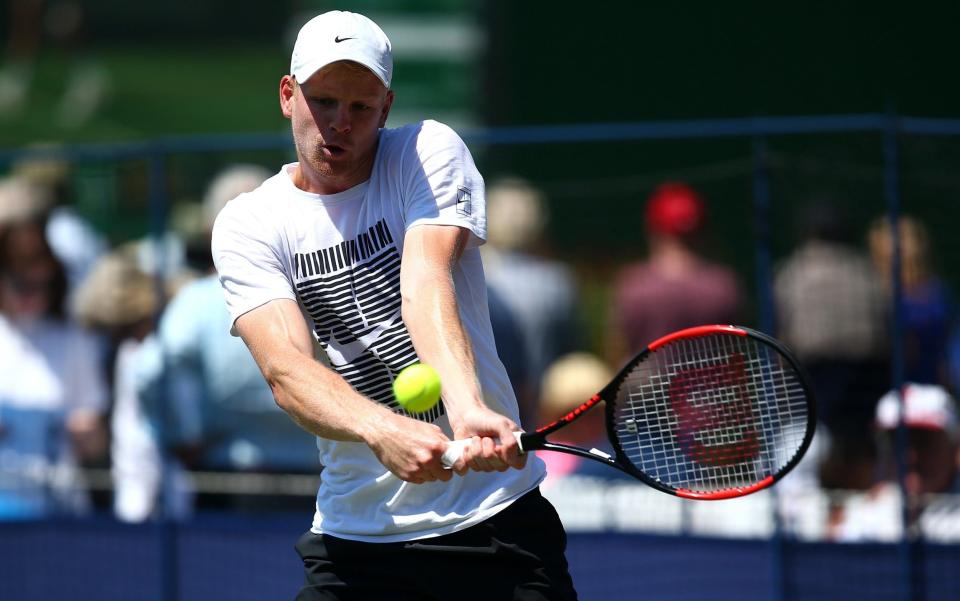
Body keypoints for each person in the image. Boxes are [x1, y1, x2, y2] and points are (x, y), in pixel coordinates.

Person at [210, 11, 576, 600]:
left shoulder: (425, 150)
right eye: (323, 101)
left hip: (497, 529)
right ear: (287, 95)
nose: (338, 124)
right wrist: (384, 430)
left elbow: (425, 281)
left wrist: (468, 409)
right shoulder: (248, 223)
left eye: (361, 107)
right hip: (355, 544)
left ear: (386, 107)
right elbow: (287, 373)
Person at [134, 164, 320, 512]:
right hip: (318, 473)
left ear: (209, 230)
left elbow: (149, 373)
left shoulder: (197, 300)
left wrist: (180, 438)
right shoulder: (321, 292)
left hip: (230, 477)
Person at [774, 202, 889, 488]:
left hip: (817, 385)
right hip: (868, 388)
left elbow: (786, 337)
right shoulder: (869, 272)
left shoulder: (791, 272)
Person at [0, 213, 108, 518]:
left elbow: (94, 437)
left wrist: (85, 431)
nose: (32, 294)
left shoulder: (74, 339)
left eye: (41, 283)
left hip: (57, 507)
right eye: (21, 283)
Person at [482, 177, 582, 425]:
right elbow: (571, 356)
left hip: (487, 416)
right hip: (547, 419)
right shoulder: (559, 283)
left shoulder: (471, 280)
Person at [607, 182, 741, 364]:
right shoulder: (723, 285)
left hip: (645, 391)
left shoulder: (634, 285)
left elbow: (616, 353)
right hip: (712, 391)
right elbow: (736, 356)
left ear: (652, 229)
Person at [829, 383, 960, 542]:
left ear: (955, 448)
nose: (910, 457)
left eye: (924, 441)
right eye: (898, 442)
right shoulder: (862, 520)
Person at [868, 215, 954, 388]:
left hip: (932, 385)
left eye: (906, 237)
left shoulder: (937, 290)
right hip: (888, 387)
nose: (902, 246)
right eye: (893, 236)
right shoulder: (874, 291)